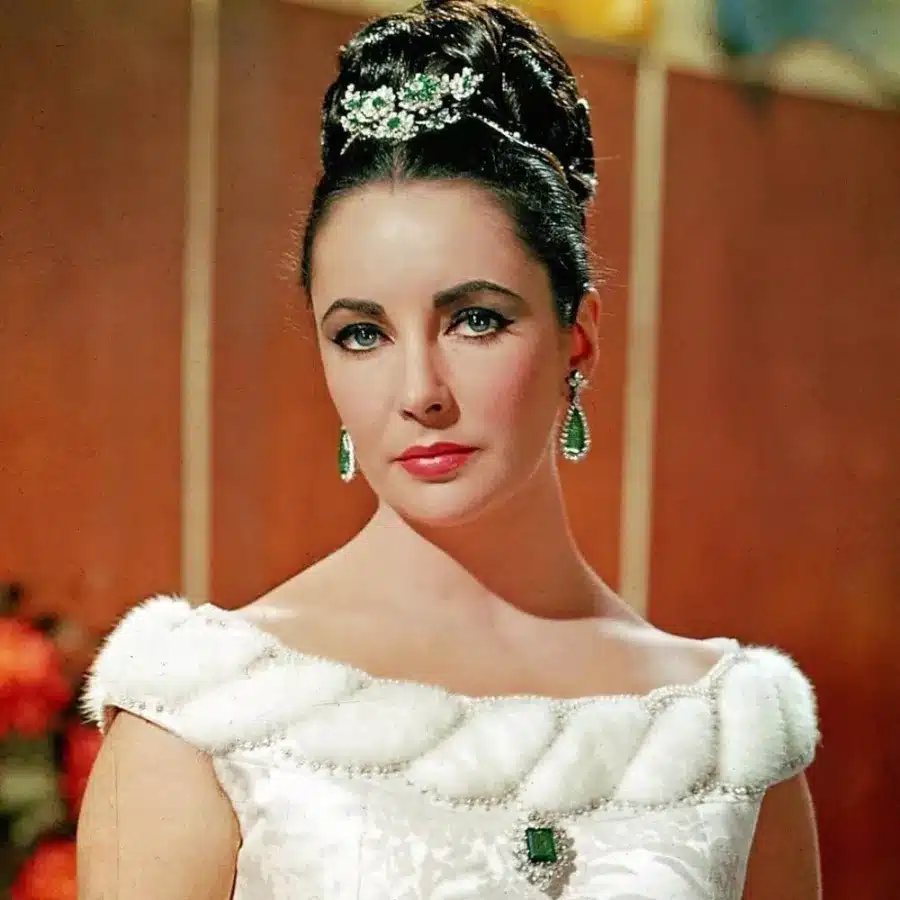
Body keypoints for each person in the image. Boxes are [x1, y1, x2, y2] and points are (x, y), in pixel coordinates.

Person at [76, 1, 821, 897]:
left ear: (578, 337)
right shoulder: (202, 709)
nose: (419, 390)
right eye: (362, 334)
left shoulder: (732, 739)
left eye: (475, 320)